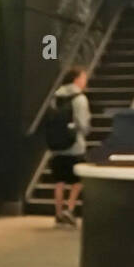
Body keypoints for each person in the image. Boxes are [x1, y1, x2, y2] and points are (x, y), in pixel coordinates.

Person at [46, 66, 91, 227]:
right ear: (76, 79)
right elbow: (83, 124)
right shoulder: (79, 98)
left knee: (59, 181)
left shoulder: (55, 96)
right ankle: (69, 208)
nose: (85, 81)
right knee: (78, 179)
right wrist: (85, 131)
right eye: (83, 78)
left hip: (56, 146)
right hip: (75, 146)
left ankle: (58, 214)